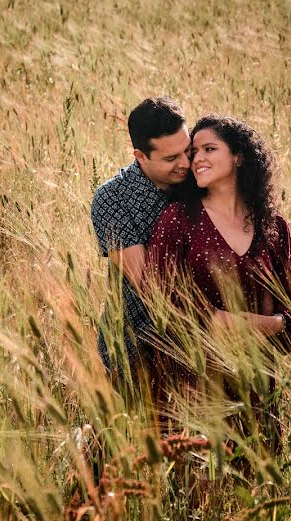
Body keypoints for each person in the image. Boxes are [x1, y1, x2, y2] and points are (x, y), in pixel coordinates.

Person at [146, 114, 291, 452]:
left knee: (257, 490)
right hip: (194, 387)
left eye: (209, 149)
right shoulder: (179, 220)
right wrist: (214, 322)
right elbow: (160, 300)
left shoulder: (273, 228)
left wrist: (253, 323)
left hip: (256, 390)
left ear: (239, 156)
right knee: (203, 493)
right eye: (193, 151)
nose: (196, 159)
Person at [90, 97, 192, 378]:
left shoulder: (201, 176)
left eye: (188, 150)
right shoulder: (113, 198)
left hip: (206, 348)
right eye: (171, 158)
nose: (185, 163)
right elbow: (148, 286)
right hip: (134, 346)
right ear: (140, 156)